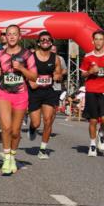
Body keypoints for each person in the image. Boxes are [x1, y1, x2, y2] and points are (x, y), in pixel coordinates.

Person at [0, 25, 39, 175]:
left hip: (20, 95)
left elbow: (34, 77)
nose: (11, 37)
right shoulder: (0, 53)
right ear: (5, 37)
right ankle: (6, 159)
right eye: (9, 34)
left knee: (15, 131)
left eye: (14, 34)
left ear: (20, 37)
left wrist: (22, 69)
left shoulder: (27, 54)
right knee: (6, 127)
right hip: (3, 93)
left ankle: (12, 156)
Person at [27, 31, 65, 159]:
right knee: (36, 123)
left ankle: (43, 149)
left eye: (48, 39)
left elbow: (58, 75)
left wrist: (57, 76)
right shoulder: (31, 57)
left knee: (48, 120)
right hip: (34, 92)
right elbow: (26, 73)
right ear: (38, 43)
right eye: (42, 39)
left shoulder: (56, 58)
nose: (45, 41)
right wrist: (31, 81)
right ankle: (32, 128)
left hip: (49, 91)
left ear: (51, 43)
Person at [80, 29, 104, 156]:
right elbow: (83, 74)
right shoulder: (87, 56)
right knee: (93, 120)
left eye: (101, 39)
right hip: (91, 91)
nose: (98, 42)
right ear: (93, 41)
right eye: (96, 39)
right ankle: (92, 145)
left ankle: (101, 133)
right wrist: (90, 71)